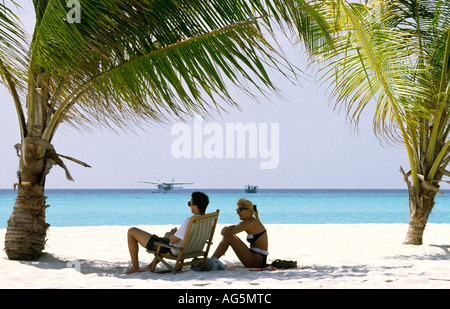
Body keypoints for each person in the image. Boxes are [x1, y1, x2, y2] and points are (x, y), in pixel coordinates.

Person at [125, 191, 209, 274]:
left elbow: (172, 241)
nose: (190, 206)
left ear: (196, 207)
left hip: (173, 250)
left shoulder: (189, 221)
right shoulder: (208, 221)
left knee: (131, 231)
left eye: (190, 204)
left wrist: (171, 234)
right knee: (165, 236)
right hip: (192, 250)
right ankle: (150, 266)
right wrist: (176, 233)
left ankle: (135, 268)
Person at [212, 198, 268, 268]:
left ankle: (211, 260)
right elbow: (227, 232)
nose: (237, 212)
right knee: (229, 236)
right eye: (237, 210)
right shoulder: (248, 222)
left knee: (229, 237)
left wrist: (225, 229)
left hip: (257, 260)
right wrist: (225, 230)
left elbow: (227, 233)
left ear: (248, 211)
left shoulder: (251, 223)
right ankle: (212, 259)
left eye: (239, 210)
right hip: (255, 257)